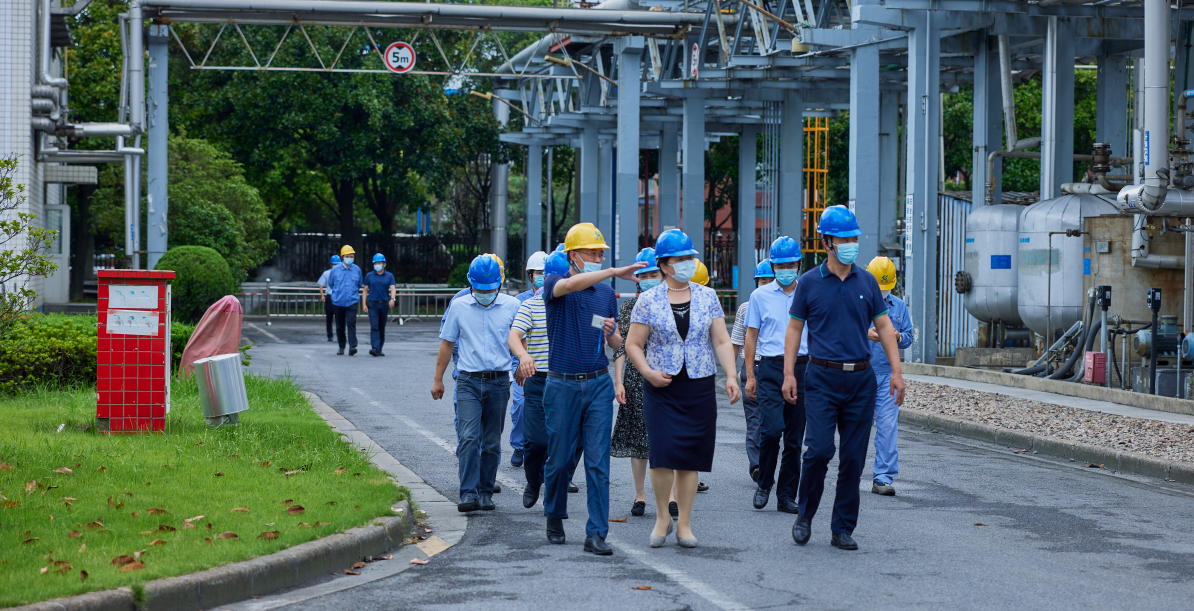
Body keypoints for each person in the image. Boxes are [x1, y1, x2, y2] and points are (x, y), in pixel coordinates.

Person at [785, 206, 906, 551]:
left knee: (853, 457)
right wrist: (790, 373)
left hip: (861, 381)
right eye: (845, 239)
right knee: (819, 450)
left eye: (854, 237)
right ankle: (805, 514)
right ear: (827, 242)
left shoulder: (867, 281)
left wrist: (896, 372)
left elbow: (884, 326)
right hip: (821, 377)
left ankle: (842, 527)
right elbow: (795, 329)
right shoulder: (809, 282)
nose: (851, 244)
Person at [624, 229, 740, 549]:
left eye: (691, 257)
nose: (688, 263)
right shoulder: (648, 300)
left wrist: (731, 375)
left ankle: (685, 524)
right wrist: (647, 372)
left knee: (690, 457)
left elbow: (720, 339)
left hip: (699, 386)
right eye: (681, 259)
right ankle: (663, 517)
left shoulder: (707, 296)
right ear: (664, 265)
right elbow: (633, 344)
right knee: (661, 455)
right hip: (661, 387)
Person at [541, 222, 645, 555]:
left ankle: (596, 533)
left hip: (598, 383)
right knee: (559, 461)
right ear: (573, 255)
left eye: (601, 253)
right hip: (562, 385)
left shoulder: (605, 295)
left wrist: (612, 331)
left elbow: (615, 342)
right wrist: (614, 271)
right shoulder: (556, 283)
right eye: (592, 252)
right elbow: (571, 285)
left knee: (598, 462)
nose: (598, 257)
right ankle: (554, 514)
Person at [431, 255, 521, 512]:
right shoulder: (459, 307)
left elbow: (520, 339)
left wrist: (521, 364)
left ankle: (485, 491)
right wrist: (438, 380)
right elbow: (447, 344)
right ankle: (468, 493)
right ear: (471, 285)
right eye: (479, 290)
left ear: (499, 285)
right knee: (469, 437)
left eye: (489, 290)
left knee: (492, 441)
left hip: (498, 382)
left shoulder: (511, 306)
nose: (484, 294)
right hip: (468, 381)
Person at [744, 236, 809, 514]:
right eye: (779, 264)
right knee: (771, 431)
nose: (785, 269)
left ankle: (786, 495)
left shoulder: (808, 293)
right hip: (769, 368)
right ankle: (764, 482)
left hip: (803, 368)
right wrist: (750, 375)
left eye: (790, 264)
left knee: (795, 438)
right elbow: (751, 336)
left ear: (798, 264)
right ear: (772, 265)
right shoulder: (759, 296)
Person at [612, 248, 674, 518]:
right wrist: (619, 381)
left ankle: (670, 496)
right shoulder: (629, 307)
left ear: (662, 274)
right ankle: (640, 495)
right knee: (639, 439)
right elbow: (622, 348)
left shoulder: (675, 303)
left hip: (668, 377)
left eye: (653, 274)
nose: (649, 278)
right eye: (644, 275)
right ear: (637, 278)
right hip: (636, 378)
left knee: (667, 437)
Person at [509, 250, 569, 508]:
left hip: (566, 381)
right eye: (543, 275)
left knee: (564, 444)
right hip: (538, 381)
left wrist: (608, 329)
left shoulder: (575, 302)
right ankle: (534, 481)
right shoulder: (530, 304)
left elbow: (598, 325)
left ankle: (555, 496)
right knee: (535, 442)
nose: (547, 279)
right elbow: (514, 336)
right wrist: (523, 356)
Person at [865, 256, 915, 496]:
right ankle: (850, 475)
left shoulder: (898, 307)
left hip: (887, 376)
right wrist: (866, 333)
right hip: (861, 373)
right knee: (857, 427)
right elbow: (843, 330)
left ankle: (883, 478)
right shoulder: (857, 303)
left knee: (886, 426)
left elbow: (909, 336)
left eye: (885, 289)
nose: (882, 293)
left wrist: (897, 337)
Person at [730, 259, 775, 483]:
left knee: (774, 422)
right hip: (752, 368)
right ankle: (757, 465)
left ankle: (769, 462)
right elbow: (736, 342)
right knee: (755, 420)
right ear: (756, 282)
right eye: (761, 280)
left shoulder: (786, 306)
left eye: (769, 280)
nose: (765, 284)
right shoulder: (746, 308)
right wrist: (731, 374)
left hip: (777, 368)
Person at [509, 251, 548, 468]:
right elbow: (516, 335)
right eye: (538, 272)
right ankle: (519, 445)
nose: (542, 276)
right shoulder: (520, 301)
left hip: (547, 364)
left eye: (545, 272)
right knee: (521, 404)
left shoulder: (555, 298)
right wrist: (520, 363)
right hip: (522, 363)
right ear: (530, 276)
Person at [326, 245, 364, 356]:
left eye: (352, 256)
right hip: (338, 302)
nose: (350, 258)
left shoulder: (357, 269)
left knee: (351, 323)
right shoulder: (335, 270)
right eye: (348, 256)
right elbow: (331, 284)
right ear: (342, 257)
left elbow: (359, 284)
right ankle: (341, 346)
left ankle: (352, 346)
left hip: (352, 301)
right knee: (340, 325)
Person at [362, 253, 396, 357]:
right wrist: (364, 304)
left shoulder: (389, 276)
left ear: (384, 264)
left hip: (384, 304)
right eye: (375, 263)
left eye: (379, 263)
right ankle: (374, 348)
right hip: (373, 304)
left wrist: (392, 298)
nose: (377, 265)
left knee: (381, 327)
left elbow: (393, 288)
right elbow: (365, 290)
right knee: (374, 326)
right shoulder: (369, 275)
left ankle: (379, 348)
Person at [317, 255, 340, 342]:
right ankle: (329, 335)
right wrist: (322, 295)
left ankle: (339, 334)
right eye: (334, 264)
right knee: (329, 317)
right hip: (330, 297)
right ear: (331, 265)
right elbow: (321, 285)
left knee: (339, 317)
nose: (335, 266)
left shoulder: (342, 273)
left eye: (337, 264)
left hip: (339, 297)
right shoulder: (326, 273)